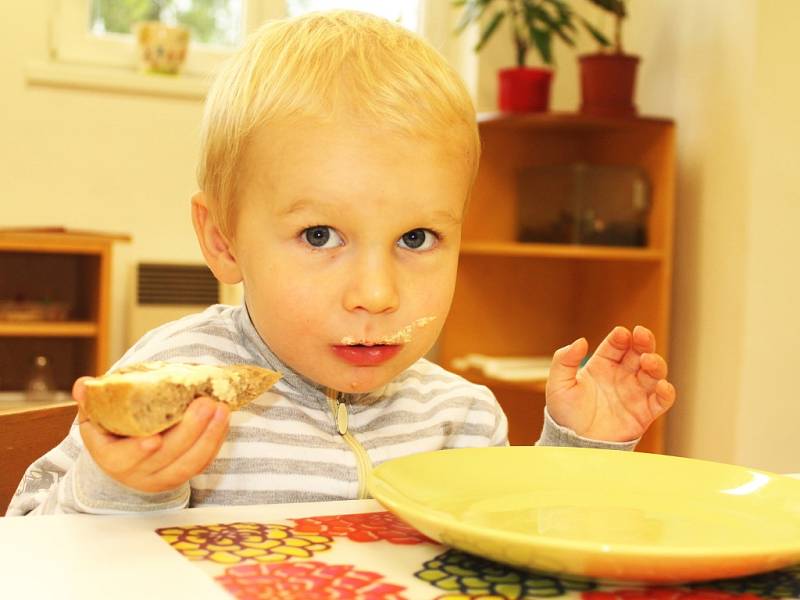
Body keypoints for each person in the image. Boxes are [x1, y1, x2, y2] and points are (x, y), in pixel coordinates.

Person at [7, 11, 675, 516]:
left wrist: (578, 452)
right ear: (223, 241)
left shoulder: (461, 419)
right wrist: (121, 485)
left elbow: (509, 550)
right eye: (320, 235)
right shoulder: (172, 391)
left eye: (416, 239)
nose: (378, 294)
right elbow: (32, 546)